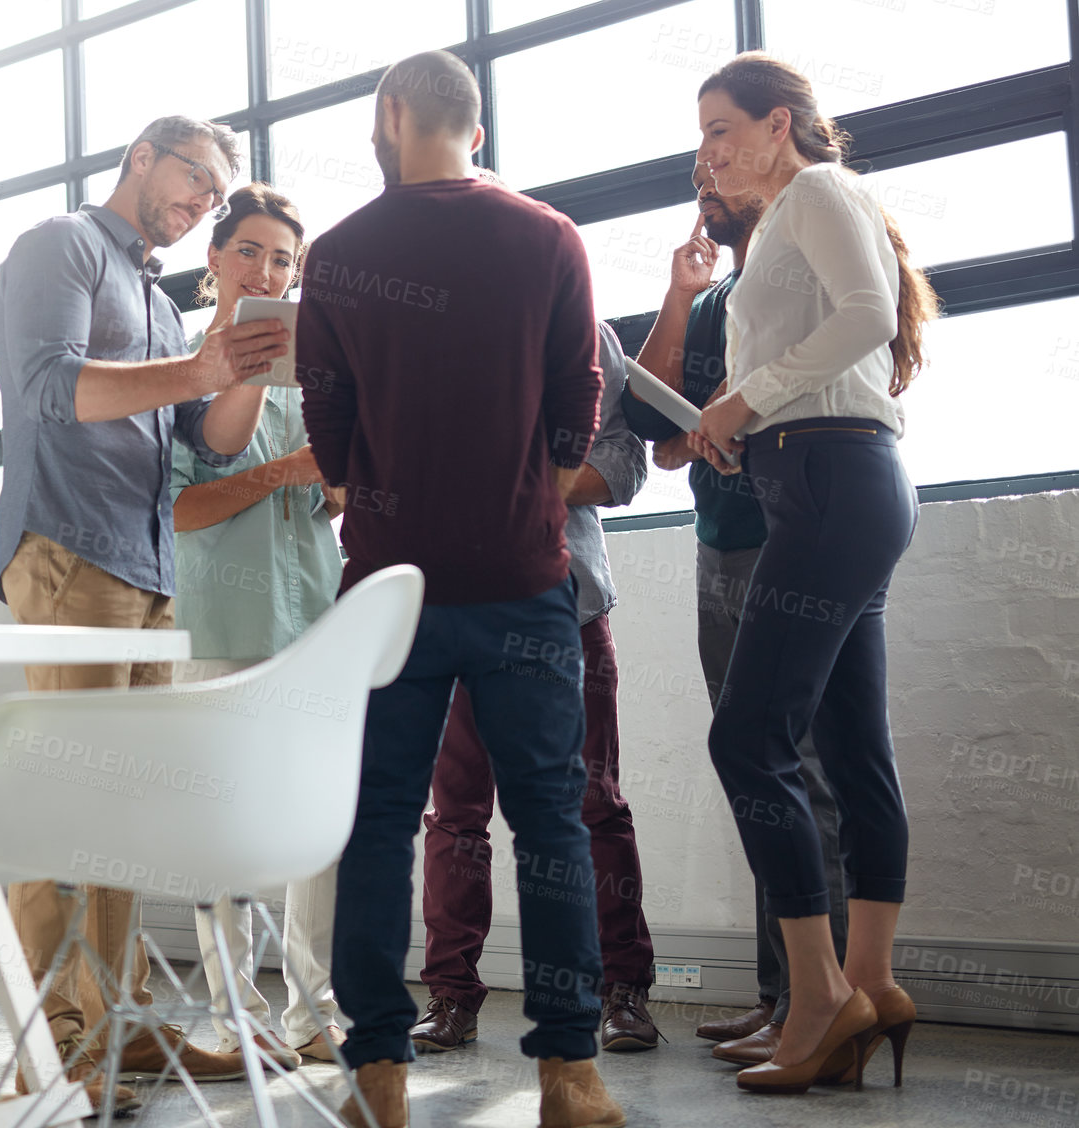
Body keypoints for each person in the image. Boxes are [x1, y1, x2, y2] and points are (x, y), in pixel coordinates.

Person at [301, 50, 625, 1128]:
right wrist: (526, 474)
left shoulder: (340, 256)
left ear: (390, 116)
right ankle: (568, 1078)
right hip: (523, 577)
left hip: (388, 589)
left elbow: (331, 437)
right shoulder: (547, 237)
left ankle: (377, 1081)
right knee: (550, 822)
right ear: (471, 130)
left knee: (380, 821)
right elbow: (578, 410)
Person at [0, 114, 293, 1108]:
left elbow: (205, 444)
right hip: (69, 552)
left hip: (148, 572)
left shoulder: (164, 308)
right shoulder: (62, 247)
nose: (203, 199)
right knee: (62, 803)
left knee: (119, 816)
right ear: (139, 158)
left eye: (214, 192)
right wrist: (202, 368)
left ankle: (114, 1029)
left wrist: (233, 359)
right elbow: (47, 390)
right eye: (194, 178)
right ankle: (59, 1047)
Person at [686, 52, 936, 1093]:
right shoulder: (773, 227)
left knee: (747, 737)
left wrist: (742, 401)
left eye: (719, 131)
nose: (706, 155)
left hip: (833, 477)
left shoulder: (820, 190)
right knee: (849, 745)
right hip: (824, 479)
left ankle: (818, 997)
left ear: (778, 123)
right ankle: (866, 986)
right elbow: (823, 347)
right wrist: (746, 418)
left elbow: (868, 315)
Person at [621, 164, 850, 1065]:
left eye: (721, 153)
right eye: (697, 170)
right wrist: (677, 296)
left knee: (802, 766)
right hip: (719, 549)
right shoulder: (716, 298)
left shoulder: (800, 273)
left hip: (794, 535)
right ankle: (778, 995)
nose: (706, 178)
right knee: (762, 772)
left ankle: (814, 999)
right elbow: (662, 435)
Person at [414, 320, 656, 1058]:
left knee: (594, 805)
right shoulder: (422, 339)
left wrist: (518, 480)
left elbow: (623, 463)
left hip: (565, 607)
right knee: (456, 816)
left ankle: (622, 992)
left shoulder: (583, 335)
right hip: (448, 608)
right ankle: (450, 994)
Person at [169, 182, 348, 1072]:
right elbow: (186, 510)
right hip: (219, 622)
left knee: (315, 824)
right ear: (215, 259)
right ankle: (233, 1012)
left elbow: (333, 493)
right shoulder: (177, 359)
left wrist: (341, 476)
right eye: (249, 251)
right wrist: (282, 474)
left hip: (312, 615)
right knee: (224, 829)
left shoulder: (314, 366)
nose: (267, 270)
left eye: (283, 258)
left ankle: (315, 1012)